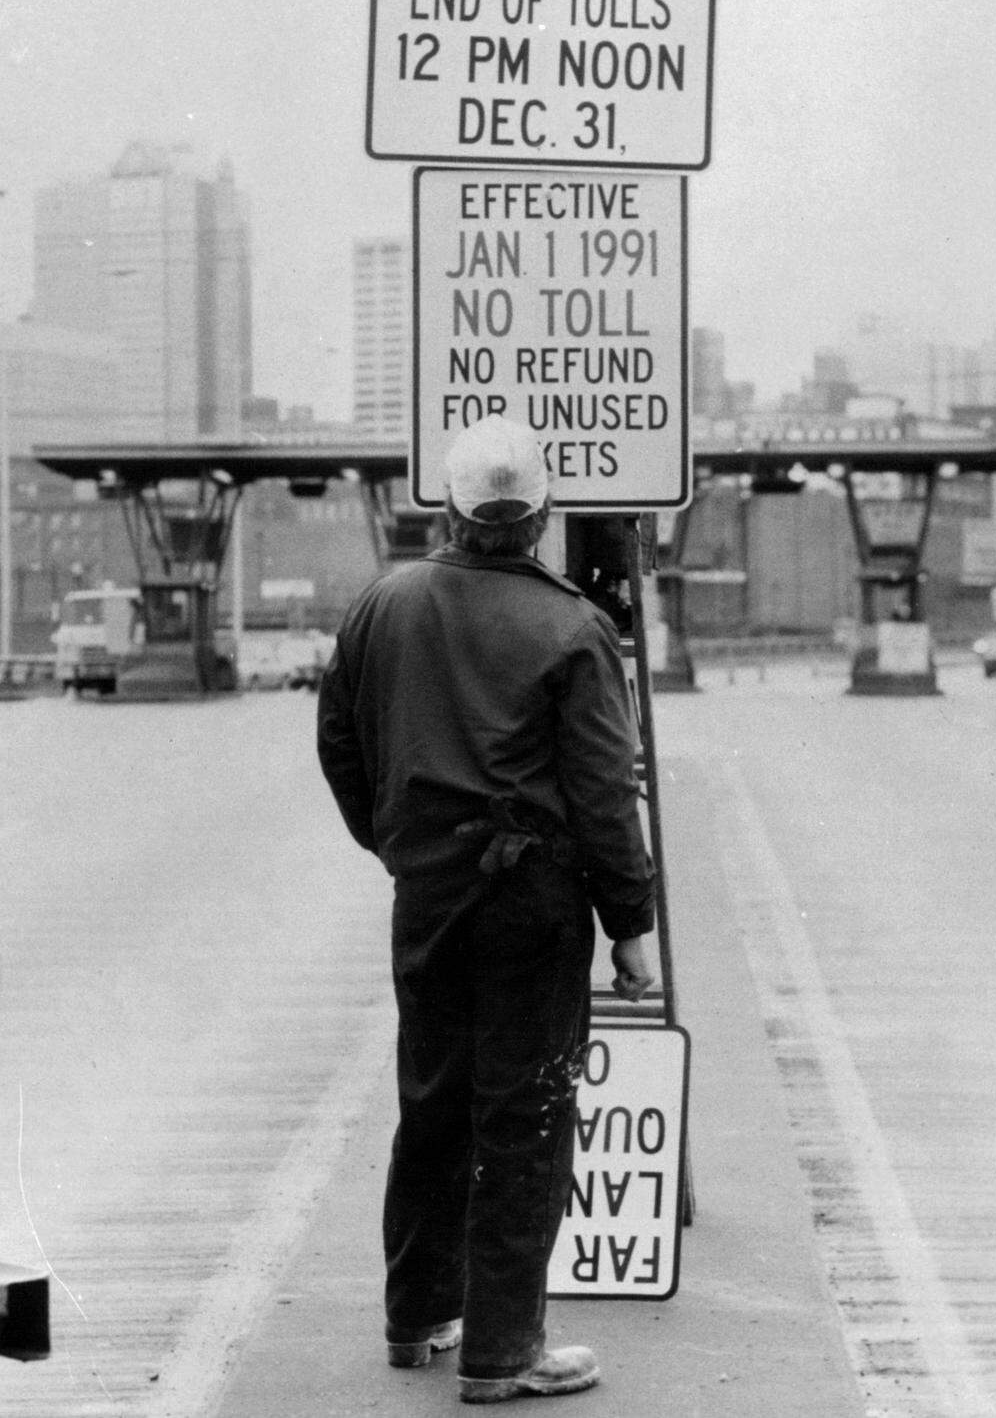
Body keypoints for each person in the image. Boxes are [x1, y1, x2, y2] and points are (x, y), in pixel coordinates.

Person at [316, 415, 656, 1403]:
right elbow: (603, 794)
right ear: (543, 515)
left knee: (433, 1101)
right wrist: (629, 925)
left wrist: (402, 847)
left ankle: (416, 1313)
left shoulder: (382, 606)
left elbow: (340, 747)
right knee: (525, 1116)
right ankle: (505, 1353)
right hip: (533, 905)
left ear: (451, 512)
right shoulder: (573, 627)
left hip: (428, 898)